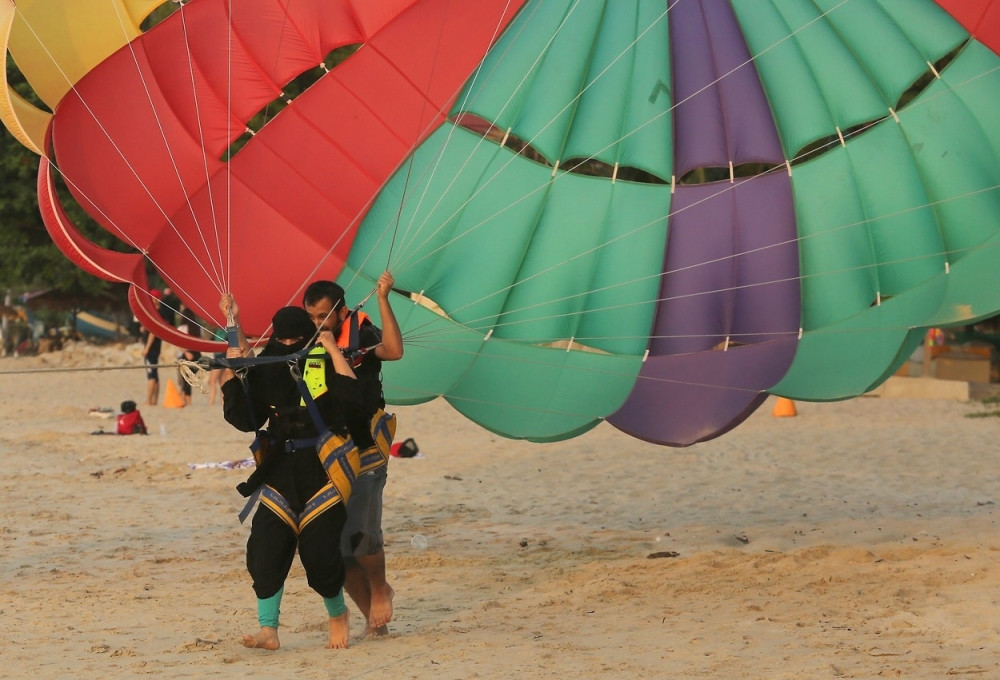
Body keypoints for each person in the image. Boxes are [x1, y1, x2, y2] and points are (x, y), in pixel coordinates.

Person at [219, 299, 370, 650]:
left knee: (319, 554)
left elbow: (354, 402)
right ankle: (268, 630)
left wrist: (331, 348)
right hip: (280, 470)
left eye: (295, 341)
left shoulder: (323, 358)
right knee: (265, 549)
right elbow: (244, 418)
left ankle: (337, 613)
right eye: (282, 342)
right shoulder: (267, 367)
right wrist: (233, 351)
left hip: (323, 468)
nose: (288, 347)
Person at [302, 271, 403, 636]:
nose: (317, 324)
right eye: (311, 317)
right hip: (328, 449)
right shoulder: (306, 340)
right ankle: (373, 623)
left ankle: (381, 588)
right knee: (337, 551)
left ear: (341, 311)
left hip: (364, 445)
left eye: (323, 316)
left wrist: (382, 299)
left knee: (361, 535)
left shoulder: (360, 330)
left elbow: (393, 351)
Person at [140, 323, 162, 406]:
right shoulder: (158, 316)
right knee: (155, 375)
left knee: (151, 376)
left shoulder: (153, 317)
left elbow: (152, 333)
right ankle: (154, 400)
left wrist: (147, 348)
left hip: (151, 350)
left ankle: (149, 400)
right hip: (155, 350)